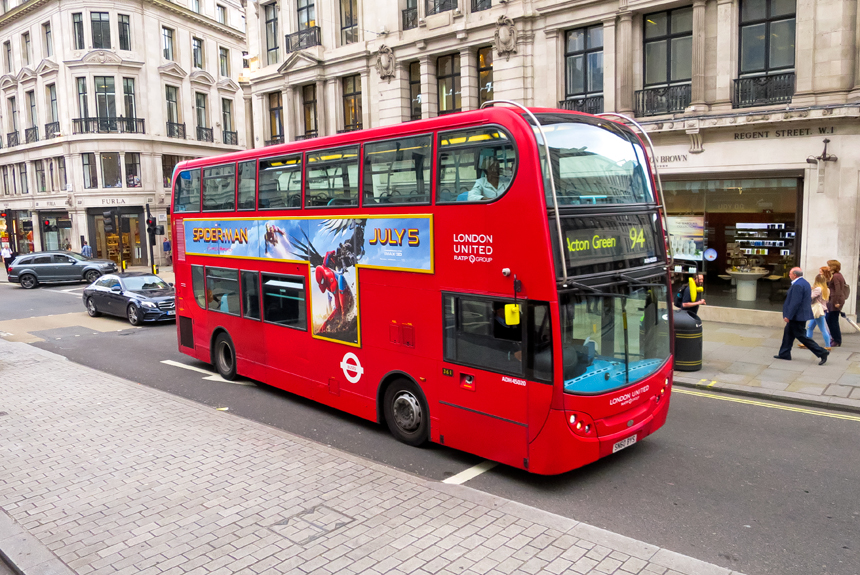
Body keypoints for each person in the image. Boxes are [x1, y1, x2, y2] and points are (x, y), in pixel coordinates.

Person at [775, 268, 829, 365]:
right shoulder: (804, 282)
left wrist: (789, 316)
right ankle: (784, 353)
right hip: (800, 314)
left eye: (790, 273)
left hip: (797, 316)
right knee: (788, 334)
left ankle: (821, 352)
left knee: (801, 336)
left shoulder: (798, 285)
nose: (789, 275)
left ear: (795, 275)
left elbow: (795, 302)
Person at [800, 273, 831, 350]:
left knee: (822, 329)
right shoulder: (827, 289)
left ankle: (828, 346)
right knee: (810, 327)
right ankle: (807, 343)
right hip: (822, 310)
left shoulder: (818, 289)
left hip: (817, 310)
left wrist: (810, 291)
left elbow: (810, 297)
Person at [825, 259, 845, 347]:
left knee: (831, 319)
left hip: (834, 300)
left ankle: (836, 339)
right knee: (831, 319)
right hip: (834, 299)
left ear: (833, 267)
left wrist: (837, 302)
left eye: (829, 265)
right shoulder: (837, 275)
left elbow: (838, 289)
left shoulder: (836, 276)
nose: (828, 267)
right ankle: (835, 338)